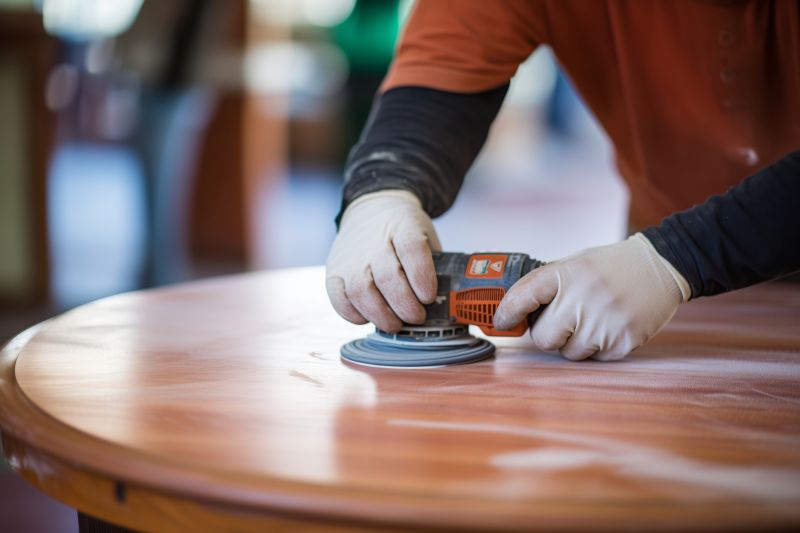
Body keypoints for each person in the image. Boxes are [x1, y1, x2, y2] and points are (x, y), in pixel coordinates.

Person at [325, 1, 800, 361]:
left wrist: (682, 256)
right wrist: (383, 188)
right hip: (659, 305)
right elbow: (447, 66)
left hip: (669, 267)